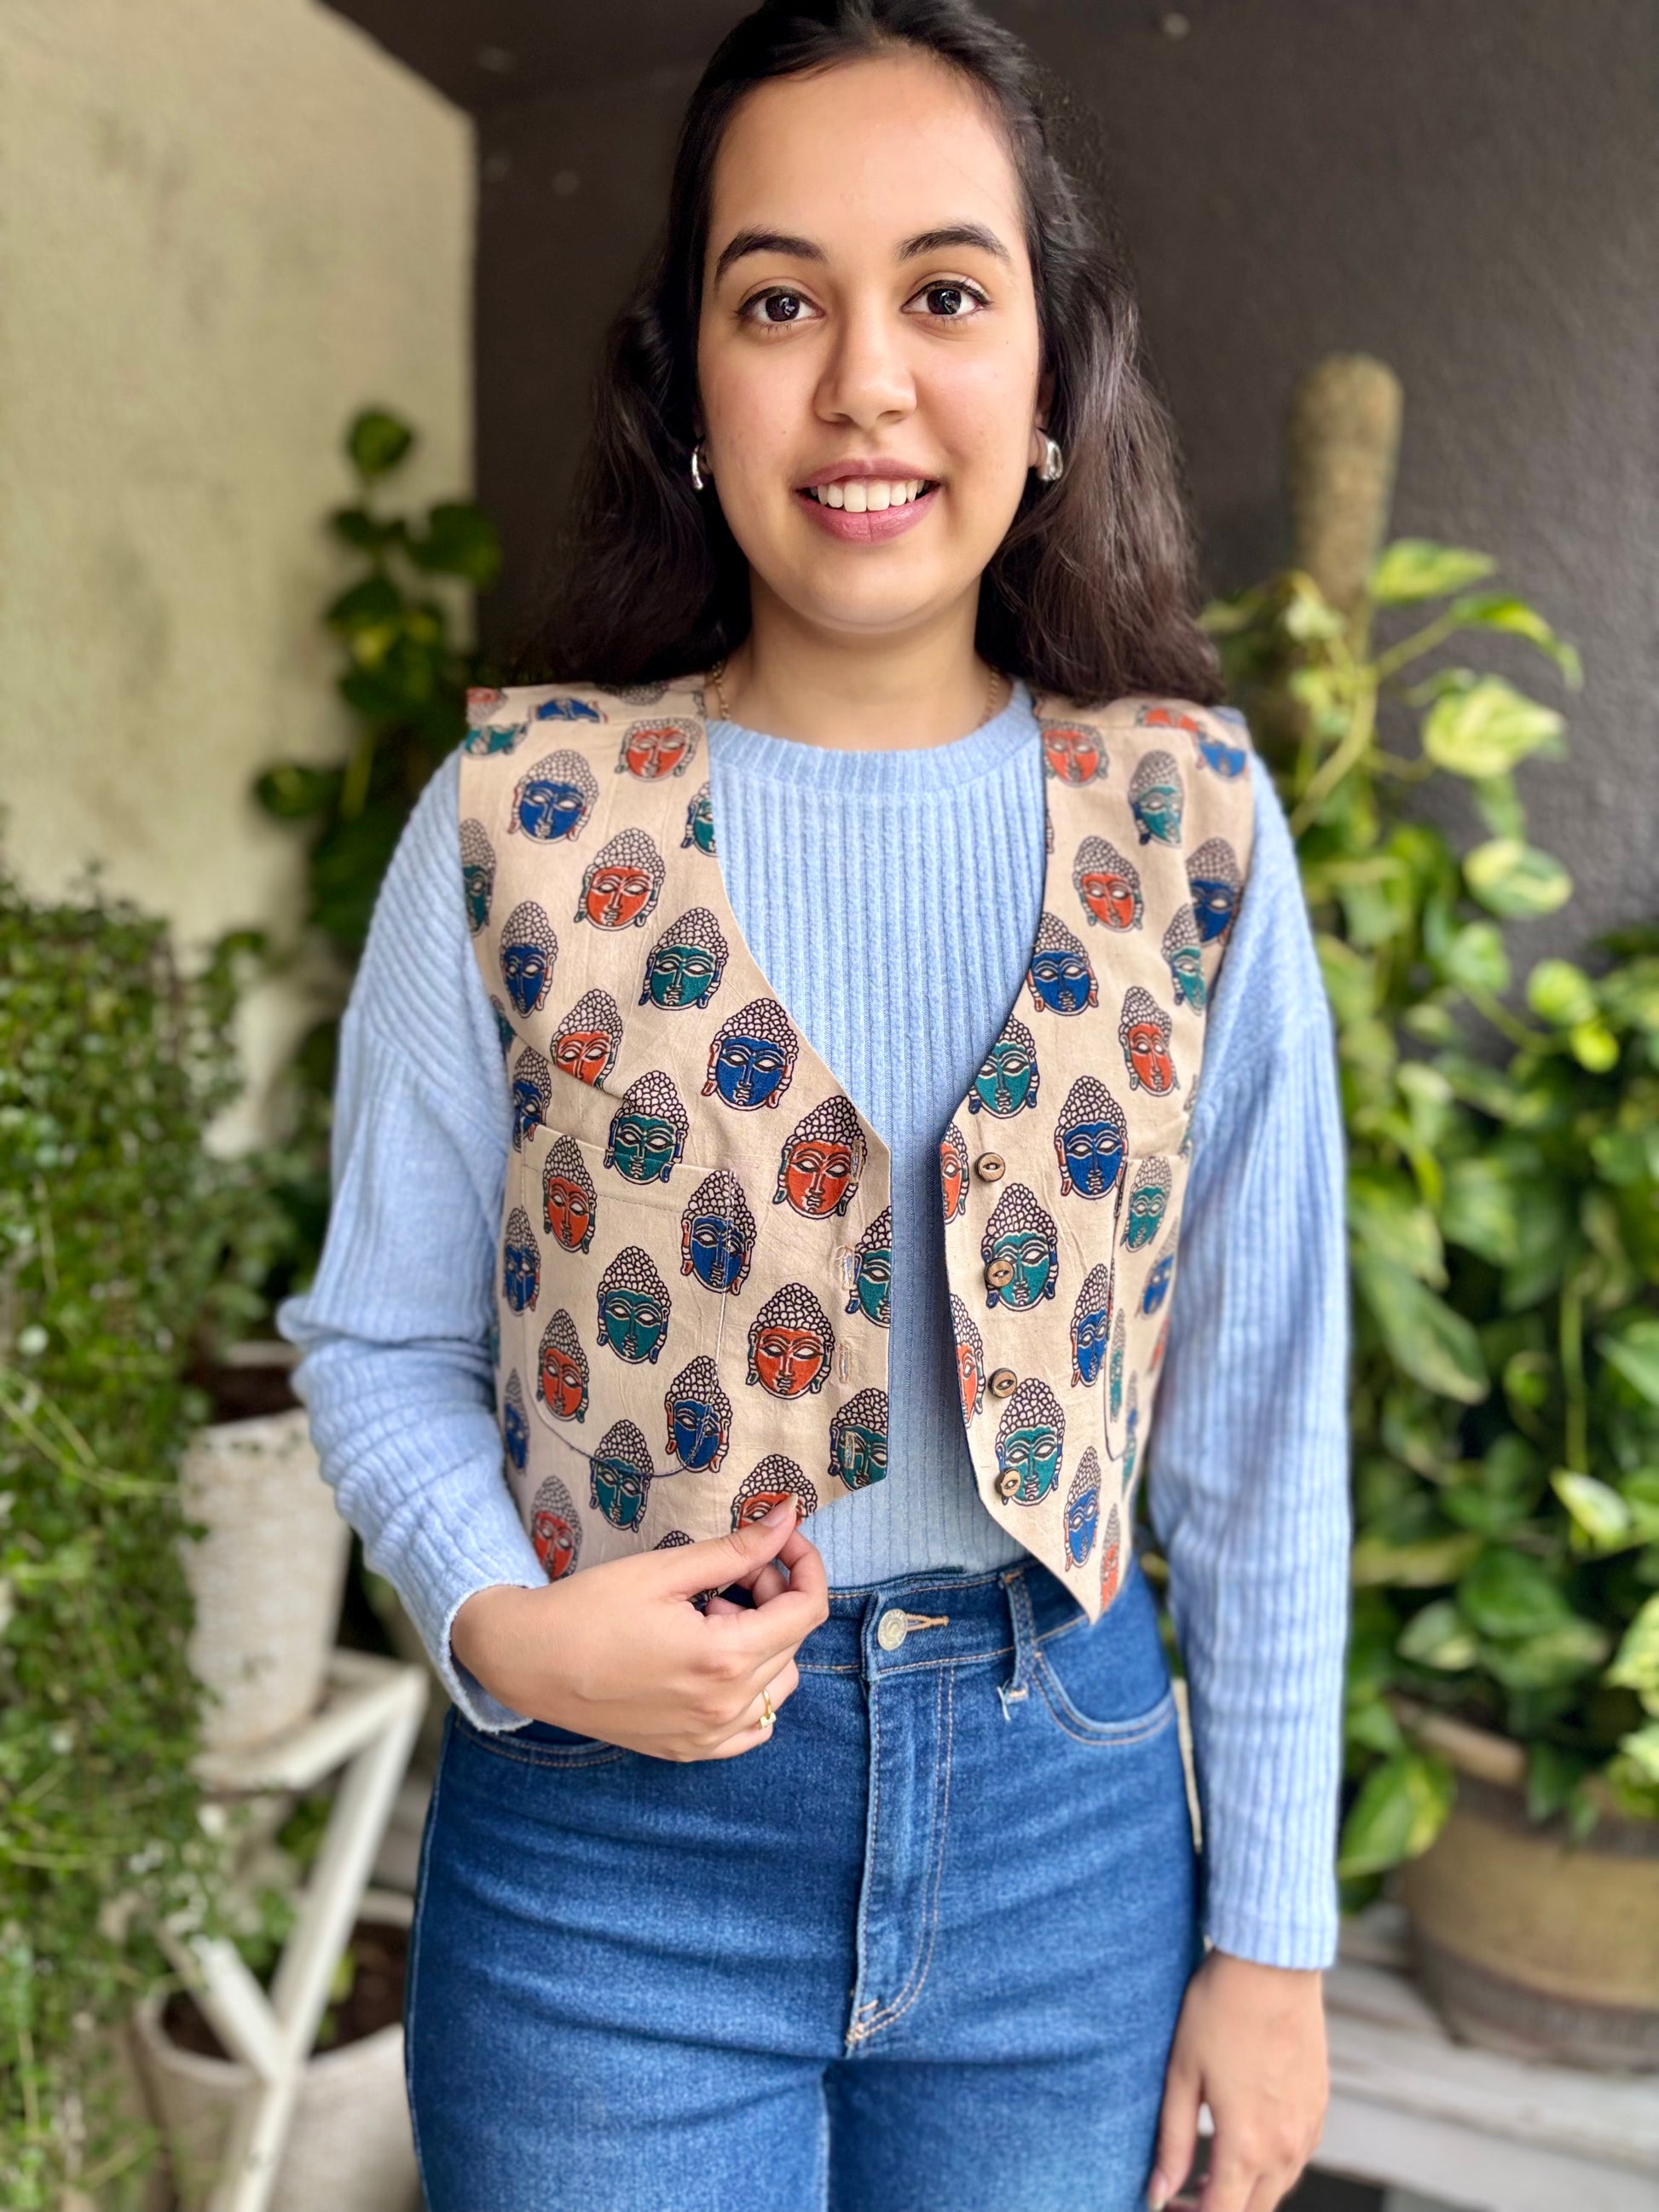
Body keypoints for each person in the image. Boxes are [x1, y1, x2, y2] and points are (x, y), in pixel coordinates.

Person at [279, 4, 1350, 2208]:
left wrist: (1271, 1941)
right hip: (605, 1861)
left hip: (1068, 1842)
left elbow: (1259, 1431)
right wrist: (501, 1623)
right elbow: (377, 1340)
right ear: (687, 389)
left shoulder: (1195, 832)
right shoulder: (517, 821)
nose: (864, 379)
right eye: (779, 302)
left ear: (1050, 379)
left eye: (946, 294)